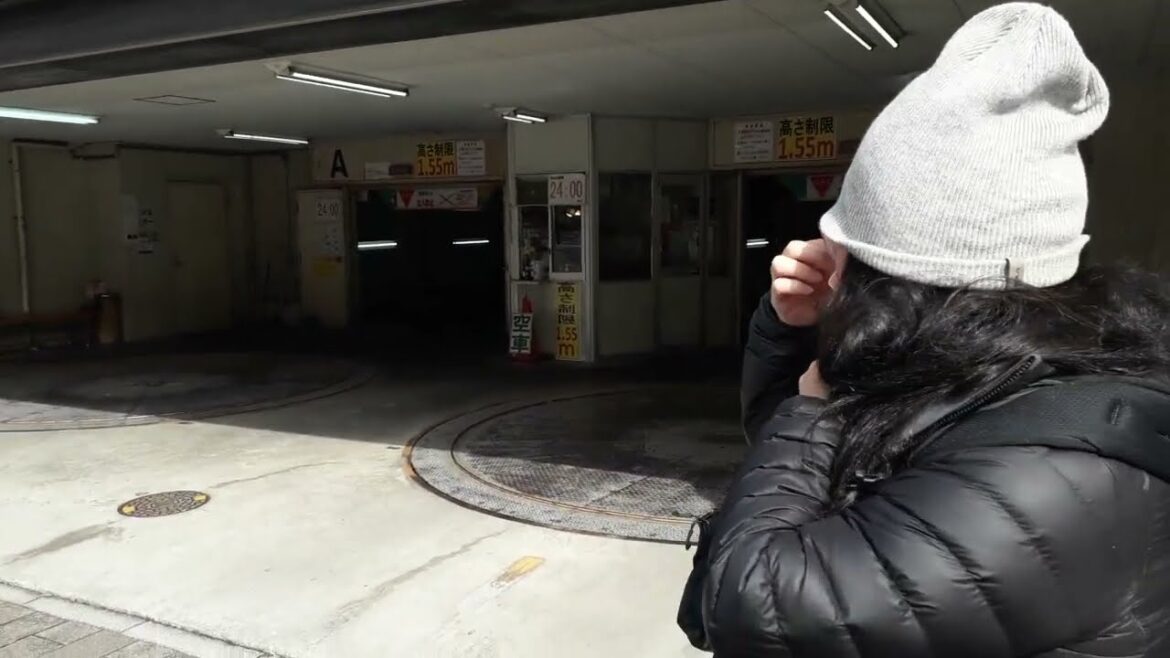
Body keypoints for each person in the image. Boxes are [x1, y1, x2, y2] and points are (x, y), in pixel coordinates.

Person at [678, 3, 1170, 657]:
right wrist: (789, 331)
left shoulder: (1041, 480)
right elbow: (795, 471)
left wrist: (817, 396)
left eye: (851, 241)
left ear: (902, 279)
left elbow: (747, 603)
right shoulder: (989, 369)